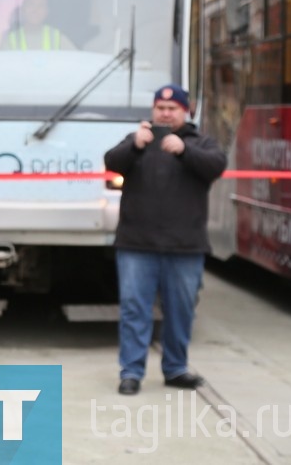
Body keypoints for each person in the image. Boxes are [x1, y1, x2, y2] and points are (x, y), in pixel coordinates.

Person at [104, 84, 227, 396]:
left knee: (181, 310)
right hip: (136, 244)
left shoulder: (201, 142)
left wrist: (184, 151)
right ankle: (131, 372)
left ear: (186, 111)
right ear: (153, 110)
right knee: (134, 309)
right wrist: (135, 145)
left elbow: (216, 166)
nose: (166, 113)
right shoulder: (139, 141)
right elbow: (111, 162)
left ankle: (175, 368)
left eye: (173, 109)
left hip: (185, 247)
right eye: (160, 107)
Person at [0, 0, 76, 51]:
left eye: (41, 6)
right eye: (31, 4)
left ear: (47, 12)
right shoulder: (10, 40)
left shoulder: (57, 37)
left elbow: (76, 60)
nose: (35, 10)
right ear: (23, 9)